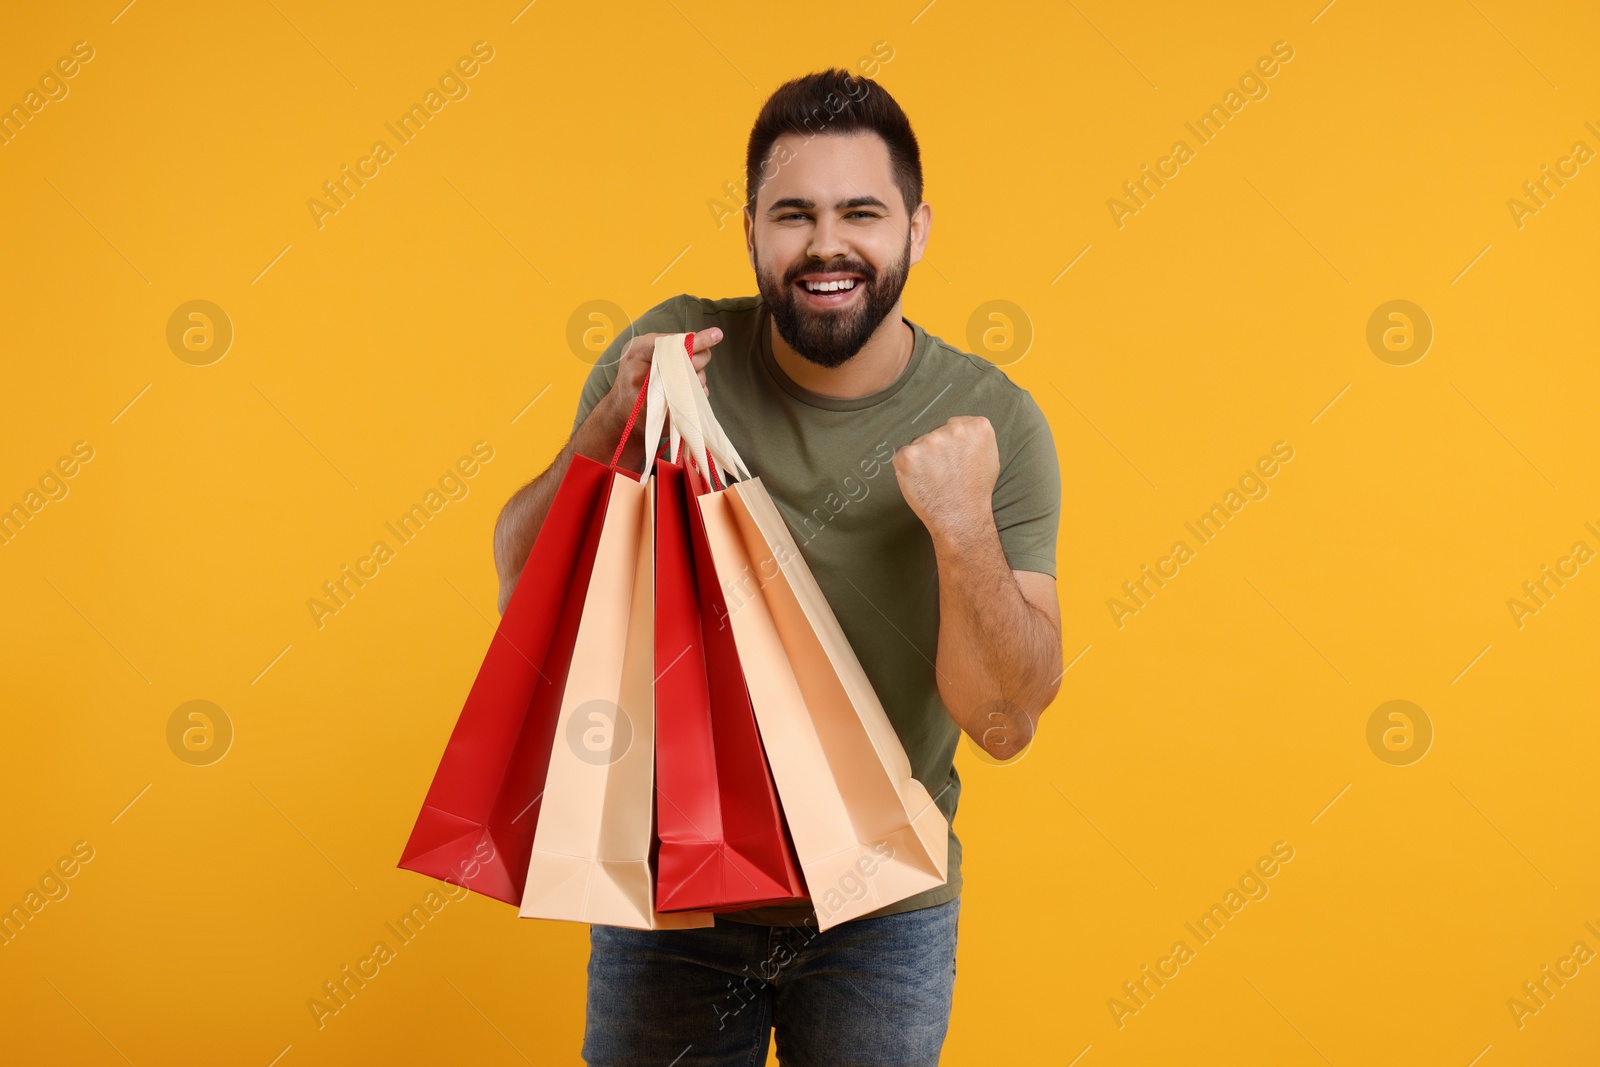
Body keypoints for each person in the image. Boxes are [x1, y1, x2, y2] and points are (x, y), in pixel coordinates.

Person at [492, 67, 1063, 1067]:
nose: (825, 244)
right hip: (671, 899)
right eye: (792, 213)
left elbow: (1003, 722)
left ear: (917, 229)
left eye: (860, 213)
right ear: (749, 225)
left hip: (882, 907)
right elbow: (523, 590)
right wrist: (606, 428)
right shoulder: (669, 361)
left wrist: (963, 523)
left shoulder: (992, 418)